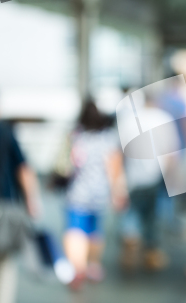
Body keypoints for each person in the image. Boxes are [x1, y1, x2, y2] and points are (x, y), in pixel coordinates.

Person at [62, 100, 127, 290]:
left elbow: (65, 165)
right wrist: (118, 192)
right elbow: (114, 168)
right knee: (95, 230)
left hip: (77, 192)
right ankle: (93, 265)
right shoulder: (107, 138)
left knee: (75, 229)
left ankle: (78, 267)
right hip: (100, 193)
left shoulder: (75, 136)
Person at [0, 89, 40, 303]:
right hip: (5, 205)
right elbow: (23, 169)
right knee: (5, 261)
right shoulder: (4, 131)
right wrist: (32, 201)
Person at [119, 95, 179, 272]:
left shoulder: (129, 120)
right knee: (153, 215)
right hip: (157, 173)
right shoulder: (164, 118)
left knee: (131, 212)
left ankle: (130, 241)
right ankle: (151, 252)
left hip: (133, 175)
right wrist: (172, 177)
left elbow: (120, 150)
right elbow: (171, 151)